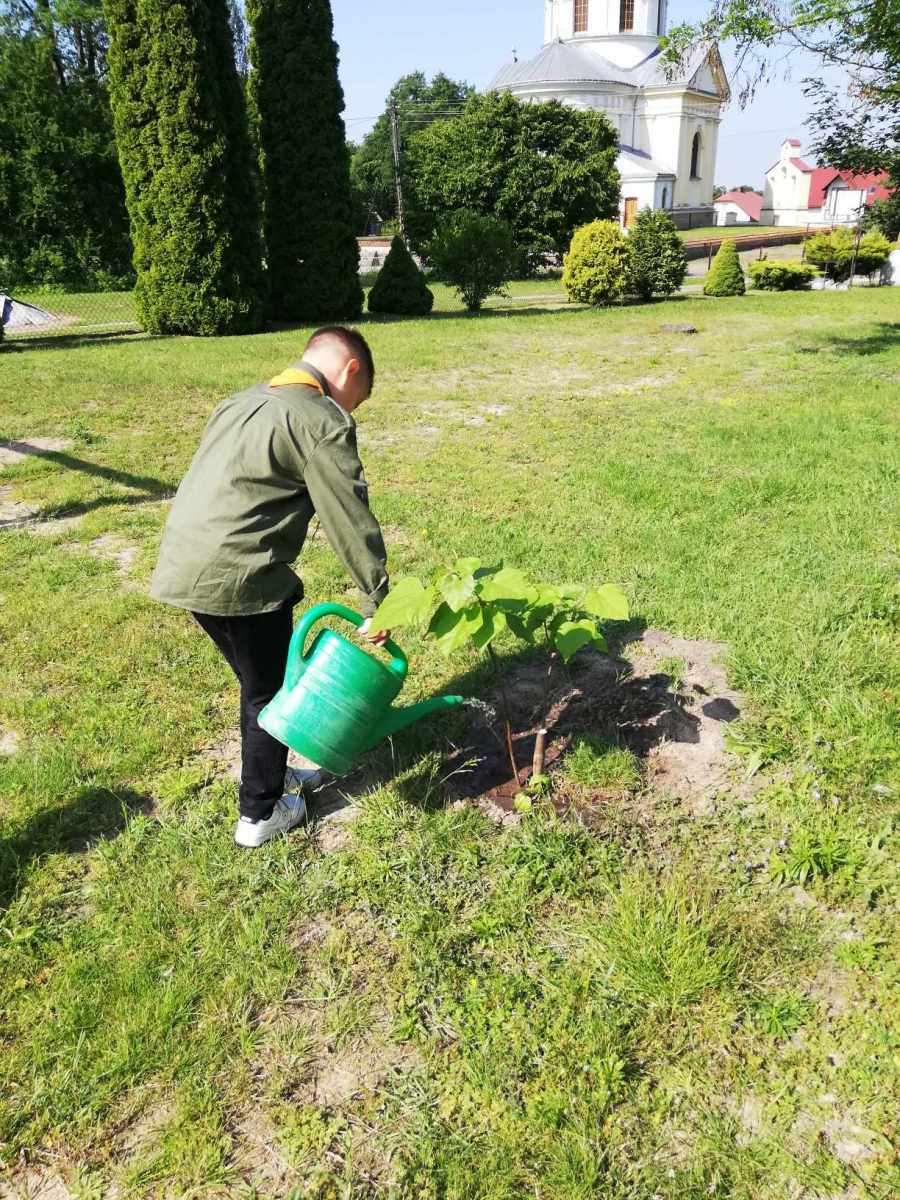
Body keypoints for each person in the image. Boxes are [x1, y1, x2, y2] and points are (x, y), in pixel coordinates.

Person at [150, 326, 390, 848]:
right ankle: (260, 814)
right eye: (358, 397)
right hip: (240, 576)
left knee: (263, 682)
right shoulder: (319, 418)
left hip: (184, 565)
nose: (352, 408)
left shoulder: (240, 402)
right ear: (350, 369)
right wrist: (375, 599)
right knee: (270, 693)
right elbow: (349, 517)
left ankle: (274, 774)